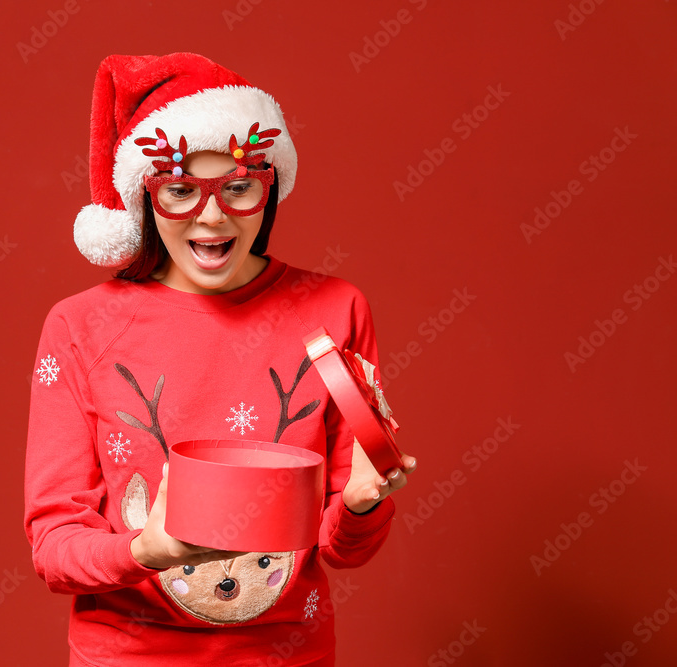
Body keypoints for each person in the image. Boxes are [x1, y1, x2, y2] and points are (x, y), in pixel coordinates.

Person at [24, 53, 417, 666]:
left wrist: (364, 501)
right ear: (144, 199)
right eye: (181, 191)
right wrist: (145, 551)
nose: (212, 215)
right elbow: (54, 547)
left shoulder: (336, 309)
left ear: (270, 186)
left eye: (237, 186)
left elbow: (343, 550)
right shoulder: (79, 326)